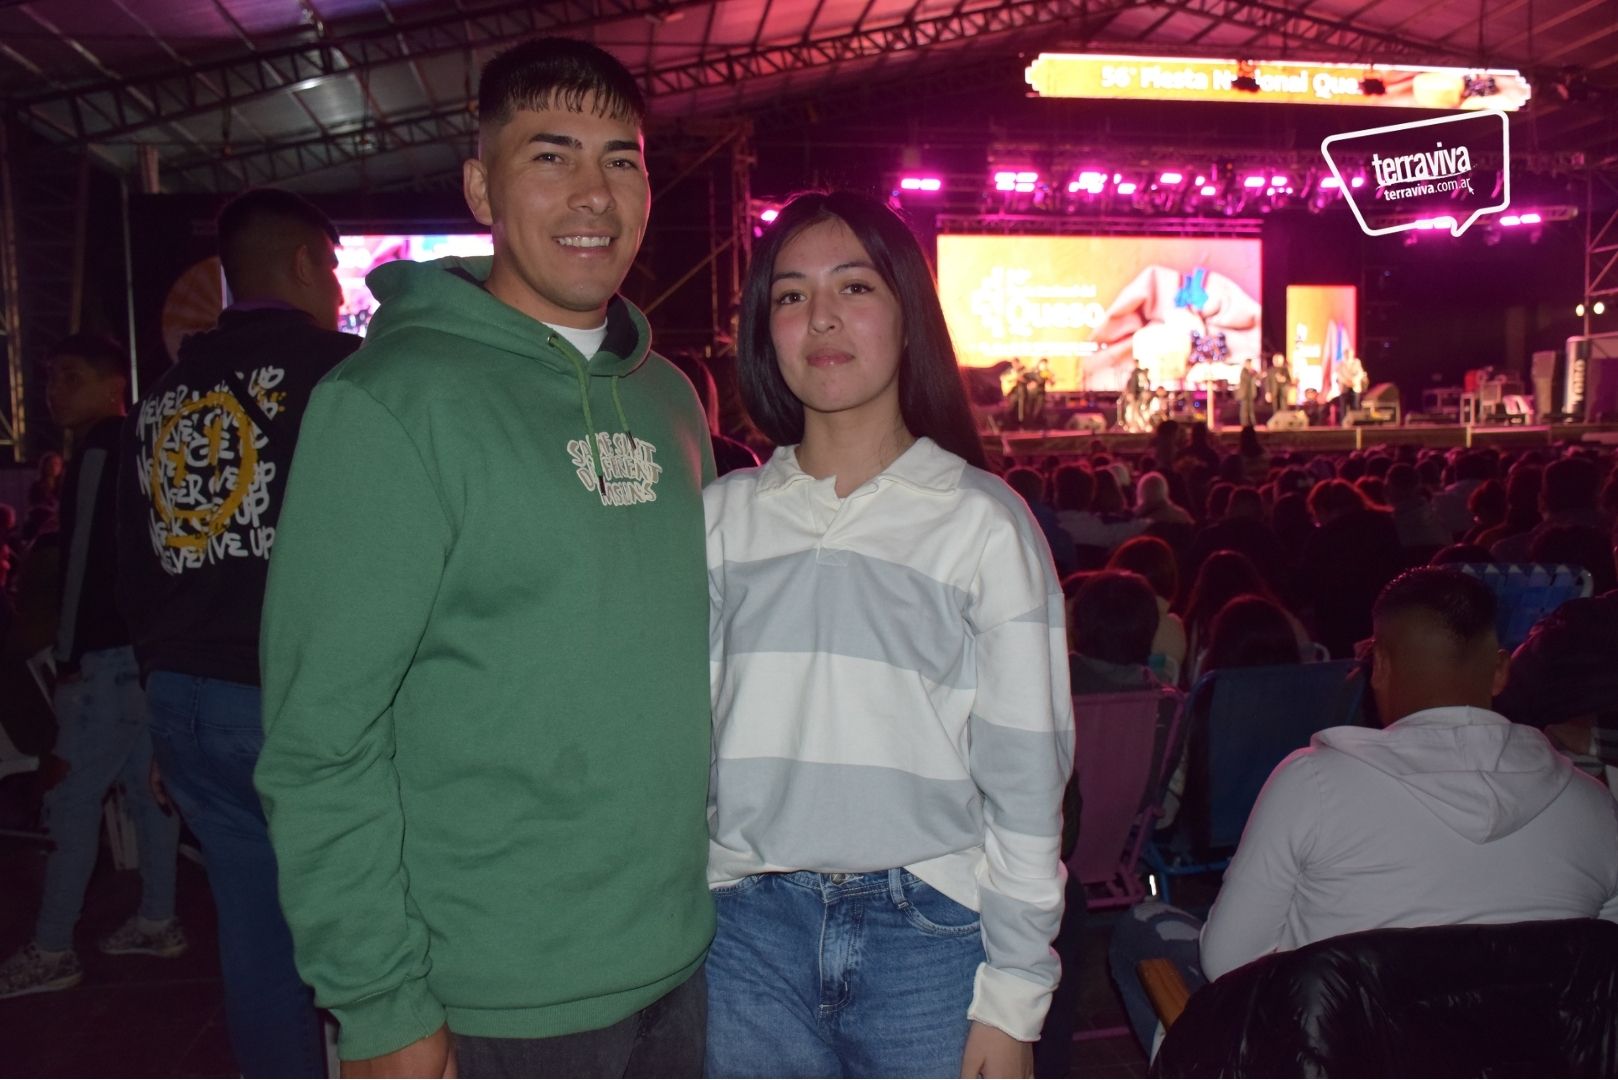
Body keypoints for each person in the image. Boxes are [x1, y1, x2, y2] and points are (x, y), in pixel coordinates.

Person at [255, 38, 716, 1078]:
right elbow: (318, 742)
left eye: (621, 159)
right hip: (487, 995)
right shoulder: (391, 402)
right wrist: (379, 1008)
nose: (593, 193)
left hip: (680, 963)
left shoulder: (668, 398)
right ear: (480, 189)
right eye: (551, 156)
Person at [704, 190, 1071, 1078]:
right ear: (765, 332)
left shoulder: (983, 523)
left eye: (856, 286)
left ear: (910, 317)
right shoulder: (719, 521)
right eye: (791, 295)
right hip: (747, 936)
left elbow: (1027, 780)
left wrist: (1015, 994)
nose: (821, 316)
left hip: (932, 938)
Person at [1110, 567, 1618, 1051]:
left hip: (1339, 1057)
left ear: (1380, 667)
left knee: (1144, 927)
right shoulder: (1593, 805)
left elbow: (1227, 962)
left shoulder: (1313, 782)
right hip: (1526, 1059)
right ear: (1501, 670)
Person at [116, 188, 362, 1076]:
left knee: (257, 948)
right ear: (301, 263)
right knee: (368, 946)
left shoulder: (161, 396)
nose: (337, 288)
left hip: (186, 707)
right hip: (295, 705)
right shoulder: (344, 374)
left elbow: (134, 567)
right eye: (331, 267)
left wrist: (159, 702)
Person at [0, 335, 184, 1001]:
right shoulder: (140, 440)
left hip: (104, 659)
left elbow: (80, 562)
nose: (55, 392)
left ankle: (52, 947)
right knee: (145, 792)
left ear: (112, 385)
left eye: (70, 377)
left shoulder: (102, 448)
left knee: (69, 801)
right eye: (52, 379)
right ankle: (158, 918)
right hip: (139, 655)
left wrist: (70, 654)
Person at [1236, 359, 1257, 428]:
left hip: (1250, 394)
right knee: (1244, 410)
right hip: (1244, 394)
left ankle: (1252, 424)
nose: (1250, 365)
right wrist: (1253, 373)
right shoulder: (1244, 371)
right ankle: (1244, 424)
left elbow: (1257, 376)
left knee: (1251, 409)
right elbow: (1248, 378)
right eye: (1249, 364)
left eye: (1250, 364)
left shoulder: (1252, 371)